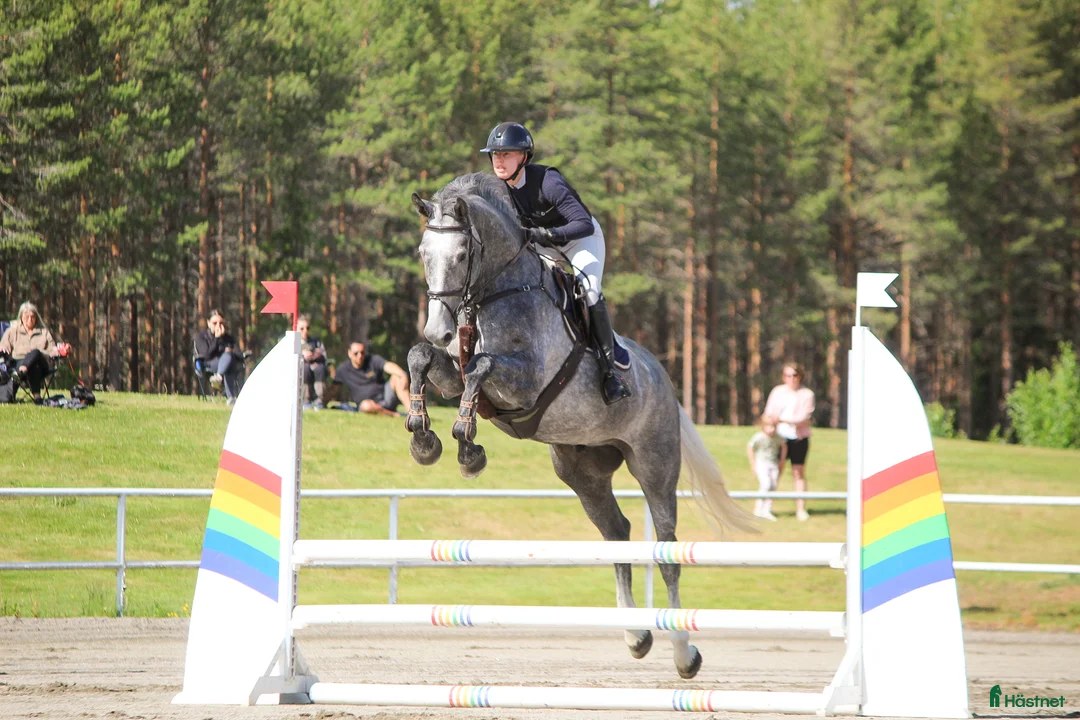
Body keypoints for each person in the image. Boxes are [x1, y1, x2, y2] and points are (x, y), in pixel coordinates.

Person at [480, 121, 631, 406]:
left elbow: (583, 224)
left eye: (507, 154)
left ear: (524, 156)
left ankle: (610, 371)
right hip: (543, 244)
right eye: (495, 155)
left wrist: (548, 235)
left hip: (579, 240)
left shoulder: (548, 182)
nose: (499, 160)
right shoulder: (500, 189)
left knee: (589, 291)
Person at [764, 362, 816, 521]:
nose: (791, 379)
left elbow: (803, 419)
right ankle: (766, 507)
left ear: (800, 376)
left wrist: (781, 419)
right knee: (774, 472)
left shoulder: (807, 394)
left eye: (794, 375)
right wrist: (769, 425)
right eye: (788, 375)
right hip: (780, 438)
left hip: (799, 438)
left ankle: (800, 509)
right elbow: (767, 414)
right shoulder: (777, 392)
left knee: (798, 472)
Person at [0, 302, 70, 404]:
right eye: (27, 316)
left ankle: (22, 372)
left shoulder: (43, 332)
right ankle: (37, 397)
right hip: (18, 362)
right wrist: (4, 347)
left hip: (42, 362)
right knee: (33, 365)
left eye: (32, 316)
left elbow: (52, 349)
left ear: (36, 318)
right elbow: (3, 345)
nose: (30, 319)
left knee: (35, 353)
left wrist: (61, 350)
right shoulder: (12, 332)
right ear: (21, 317)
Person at [333, 341, 410, 416]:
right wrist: (323, 402)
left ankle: (412, 413)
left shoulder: (373, 360)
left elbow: (388, 366)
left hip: (385, 399)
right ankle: (394, 415)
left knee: (397, 377)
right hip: (368, 406)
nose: (359, 356)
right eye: (356, 353)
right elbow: (333, 389)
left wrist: (403, 375)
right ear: (349, 353)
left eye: (362, 352)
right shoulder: (343, 369)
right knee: (366, 406)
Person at [193, 310, 244, 405]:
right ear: (208, 323)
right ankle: (231, 397)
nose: (218, 326)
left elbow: (239, 355)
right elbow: (206, 355)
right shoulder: (201, 337)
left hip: (227, 364)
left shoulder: (229, 338)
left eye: (221, 323)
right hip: (209, 364)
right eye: (214, 323)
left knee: (229, 357)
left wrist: (231, 351)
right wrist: (217, 338)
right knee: (230, 361)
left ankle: (218, 377)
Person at [746, 414, 787, 521]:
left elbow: (784, 446)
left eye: (774, 427)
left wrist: (782, 460)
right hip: (761, 463)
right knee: (765, 484)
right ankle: (758, 509)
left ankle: (767, 510)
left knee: (773, 486)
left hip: (773, 463)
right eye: (769, 427)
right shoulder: (759, 437)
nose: (772, 429)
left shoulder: (778, 437)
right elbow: (750, 447)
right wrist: (753, 463)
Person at [296, 316, 328, 410]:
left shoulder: (316, 342)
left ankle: (319, 400)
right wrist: (302, 355)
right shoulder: (293, 342)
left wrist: (316, 355)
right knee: (305, 370)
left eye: (307, 328)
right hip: (300, 368)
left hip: (315, 366)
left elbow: (324, 355)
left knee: (320, 369)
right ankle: (305, 400)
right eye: (302, 328)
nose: (305, 331)